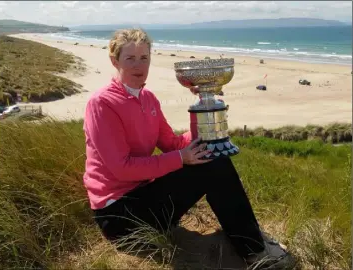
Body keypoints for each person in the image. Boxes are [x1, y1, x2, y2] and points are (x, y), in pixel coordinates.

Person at [83, 28, 293, 269]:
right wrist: (182, 158)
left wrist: (205, 109)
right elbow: (122, 169)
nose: (138, 65)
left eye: (144, 58)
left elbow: (171, 143)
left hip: (146, 199)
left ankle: (251, 238)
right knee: (211, 166)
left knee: (213, 157)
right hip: (120, 217)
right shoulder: (102, 103)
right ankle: (256, 251)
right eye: (129, 58)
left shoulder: (148, 98)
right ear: (114, 61)